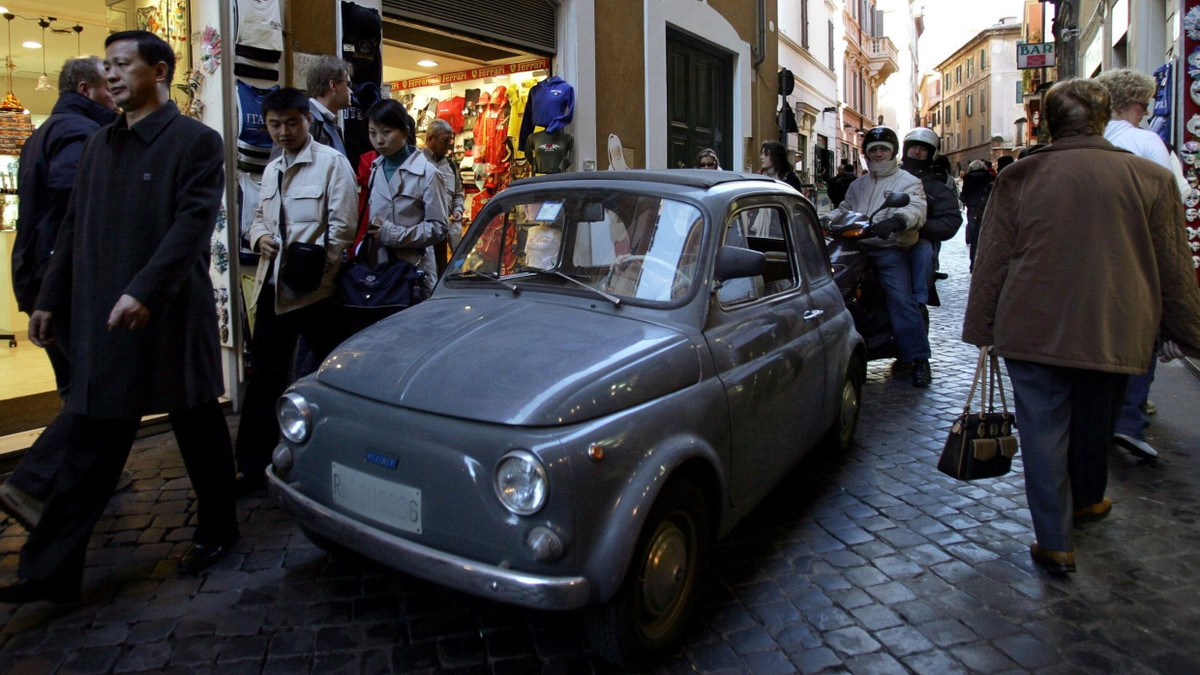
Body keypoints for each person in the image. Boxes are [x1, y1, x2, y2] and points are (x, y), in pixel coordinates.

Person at [0, 31, 240, 604]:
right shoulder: (99, 146)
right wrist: (50, 299)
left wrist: (146, 291)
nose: (110, 74)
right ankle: (48, 572)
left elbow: (191, 227)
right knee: (90, 443)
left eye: (122, 64)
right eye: (106, 65)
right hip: (105, 320)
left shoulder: (196, 143)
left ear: (158, 70)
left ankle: (218, 529)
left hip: (171, 314)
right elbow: (71, 227)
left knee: (198, 427)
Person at [962, 78, 1200, 576]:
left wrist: (982, 326)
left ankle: (1055, 541)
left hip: (1032, 325)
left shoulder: (1020, 177)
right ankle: (1088, 500)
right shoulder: (1150, 178)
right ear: (1103, 116)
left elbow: (993, 258)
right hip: (1117, 322)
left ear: (1046, 122)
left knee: (1044, 432)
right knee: (1097, 422)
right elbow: (1173, 267)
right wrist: (1186, 330)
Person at [1, 57, 118, 529]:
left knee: (78, 385)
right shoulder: (76, 132)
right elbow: (81, 201)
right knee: (95, 388)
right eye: (109, 86)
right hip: (65, 280)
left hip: (45, 277)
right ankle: (33, 481)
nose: (116, 94)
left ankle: (70, 480)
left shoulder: (50, 130)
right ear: (88, 88)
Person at [232, 87, 357, 494]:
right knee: (265, 375)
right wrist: (259, 238)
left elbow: (342, 227)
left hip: (317, 293)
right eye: (274, 124)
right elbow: (256, 216)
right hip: (274, 289)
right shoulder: (270, 170)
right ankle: (252, 466)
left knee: (331, 375)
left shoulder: (331, 163)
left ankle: (335, 455)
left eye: (291, 122)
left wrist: (321, 271)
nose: (283, 132)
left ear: (307, 120)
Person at [1097, 68, 1185, 461]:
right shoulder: (1147, 142)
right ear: (1136, 104)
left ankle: (1098, 417)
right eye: (1144, 106)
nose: (1146, 112)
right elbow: (1176, 197)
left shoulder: (1091, 141)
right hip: (1140, 252)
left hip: (1095, 254)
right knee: (1141, 334)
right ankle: (1128, 420)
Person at [826, 126, 931, 387]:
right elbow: (844, 209)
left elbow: (916, 208)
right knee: (827, 288)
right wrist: (819, 219)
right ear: (866, 154)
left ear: (893, 151)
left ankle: (918, 358)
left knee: (900, 297)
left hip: (888, 248)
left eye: (884, 149)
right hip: (855, 246)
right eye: (874, 150)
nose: (879, 154)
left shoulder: (908, 181)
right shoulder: (858, 184)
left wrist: (898, 220)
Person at [359, 99, 448, 328]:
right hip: (379, 271)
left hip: (412, 272)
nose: (379, 140)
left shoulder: (428, 173)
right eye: (373, 133)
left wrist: (395, 235)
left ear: (404, 132)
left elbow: (439, 227)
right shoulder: (375, 168)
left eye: (386, 132)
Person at [899, 128, 962, 308]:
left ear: (931, 153)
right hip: (884, 239)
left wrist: (917, 226)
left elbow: (950, 221)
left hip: (919, 240)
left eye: (923, 149)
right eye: (913, 147)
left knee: (924, 252)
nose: (917, 152)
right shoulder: (889, 176)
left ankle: (918, 303)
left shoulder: (937, 184)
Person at [424, 118, 465, 270]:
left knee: (441, 269)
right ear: (430, 139)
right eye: (445, 140)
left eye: (450, 140)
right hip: (423, 232)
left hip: (442, 231)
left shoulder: (451, 165)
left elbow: (458, 194)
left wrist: (458, 209)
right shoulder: (417, 163)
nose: (449, 144)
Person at [304, 55, 353, 158]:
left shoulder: (333, 126)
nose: (351, 91)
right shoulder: (307, 120)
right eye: (347, 84)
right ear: (333, 85)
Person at [959, 159, 992, 269]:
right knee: (985, 235)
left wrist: (965, 200)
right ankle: (985, 263)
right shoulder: (989, 176)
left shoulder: (968, 178)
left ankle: (973, 263)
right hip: (986, 207)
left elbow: (964, 194)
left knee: (974, 237)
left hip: (973, 208)